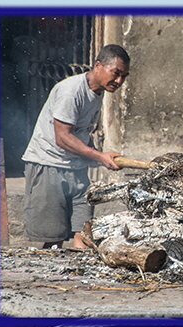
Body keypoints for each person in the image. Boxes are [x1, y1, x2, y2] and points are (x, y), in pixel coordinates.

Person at [21, 44, 129, 249]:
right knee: (54, 239)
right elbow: (62, 138)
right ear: (98, 66)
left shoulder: (98, 92)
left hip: (76, 170)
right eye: (116, 74)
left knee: (84, 235)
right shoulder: (71, 91)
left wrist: (97, 159)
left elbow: (81, 134)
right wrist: (99, 156)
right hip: (48, 165)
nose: (119, 81)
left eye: (124, 76)